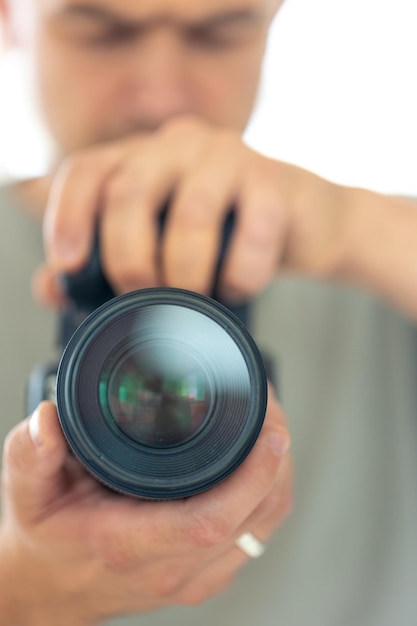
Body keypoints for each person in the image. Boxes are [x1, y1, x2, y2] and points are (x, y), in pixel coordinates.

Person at [0, 0, 417, 624]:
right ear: (9, 16)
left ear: (273, 16)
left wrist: (357, 229)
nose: (160, 99)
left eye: (218, 34)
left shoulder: (374, 261)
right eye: (100, 31)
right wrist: (21, 592)